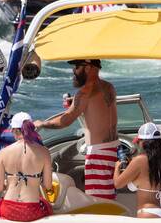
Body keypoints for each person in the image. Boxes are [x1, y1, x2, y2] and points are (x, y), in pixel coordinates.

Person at [38, 59, 119, 201]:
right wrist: (77, 106)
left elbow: (65, 121)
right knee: (108, 194)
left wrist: (42, 124)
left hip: (98, 153)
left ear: (88, 67)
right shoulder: (109, 87)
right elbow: (98, 112)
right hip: (113, 149)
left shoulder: (84, 93)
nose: (73, 71)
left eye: (76, 67)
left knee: (98, 200)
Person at [0, 111, 54, 222]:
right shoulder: (44, 152)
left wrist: (10, 182)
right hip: (31, 211)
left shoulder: (3, 152)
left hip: (8, 209)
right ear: (31, 129)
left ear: (14, 130)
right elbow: (48, 185)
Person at [114, 123, 161, 219]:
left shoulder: (139, 160)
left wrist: (116, 167)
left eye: (138, 142)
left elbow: (117, 184)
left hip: (151, 212)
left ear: (143, 142)